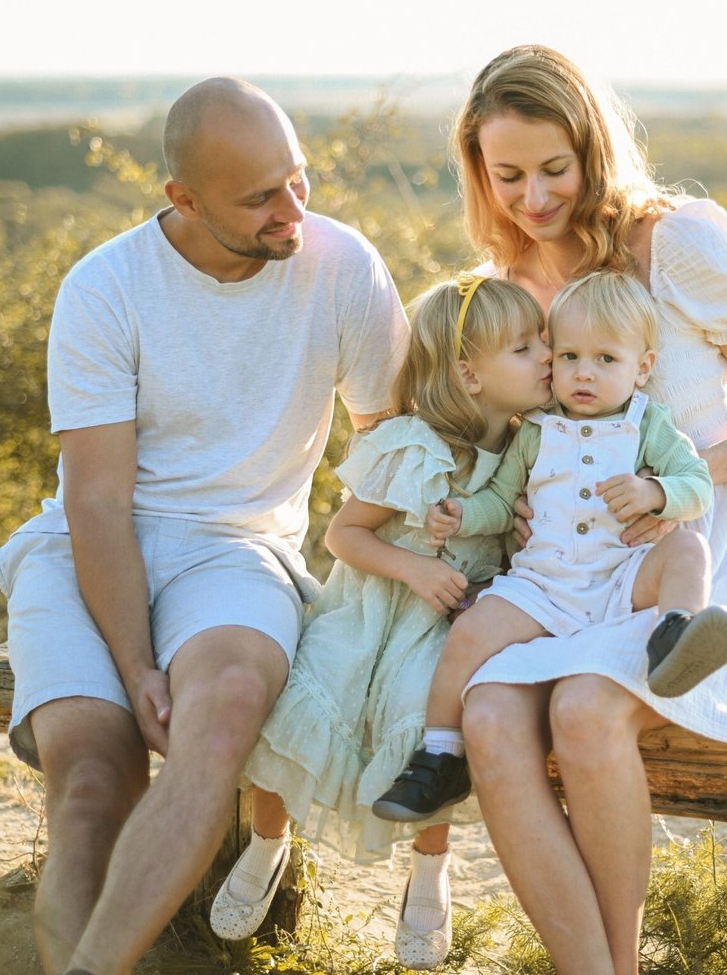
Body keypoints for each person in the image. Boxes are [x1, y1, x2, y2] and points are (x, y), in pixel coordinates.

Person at [0, 77, 409, 975]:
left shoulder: (344, 269)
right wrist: (136, 665)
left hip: (239, 553)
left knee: (216, 722)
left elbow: (392, 439)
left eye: (298, 180)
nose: (291, 210)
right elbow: (96, 499)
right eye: (259, 196)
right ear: (183, 198)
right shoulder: (105, 288)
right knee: (93, 784)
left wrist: (378, 588)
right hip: (87, 546)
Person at [447, 44, 727, 974]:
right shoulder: (506, 288)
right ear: (479, 173)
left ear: (592, 149)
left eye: (554, 169)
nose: (534, 197)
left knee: (584, 710)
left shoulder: (677, 246)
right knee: (489, 716)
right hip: (565, 572)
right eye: (508, 177)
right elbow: (518, 445)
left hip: (688, 554)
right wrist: (529, 510)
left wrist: (674, 480)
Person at [208, 275, 551, 969]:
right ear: (468, 374)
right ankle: (267, 843)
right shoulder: (409, 445)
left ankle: (430, 873)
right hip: (367, 612)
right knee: (306, 700)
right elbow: (344, 537)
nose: (548, 354)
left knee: (429, 723)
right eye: (526, 346)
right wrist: (415, 568)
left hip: (443, 631)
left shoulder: (531, 449)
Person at [371, 270, 727, 824]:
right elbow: (502, 500)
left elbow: (695, 485)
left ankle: (675, 634)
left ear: (643, 368)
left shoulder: (649, 424)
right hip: (544, 584)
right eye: (568, 356)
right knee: (470, 631)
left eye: (605, 360)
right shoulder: (536, 429)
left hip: (622, 576)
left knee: (688, 553)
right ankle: (439, 757)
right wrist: (463, 514)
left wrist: (654, 492)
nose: (583, 373)